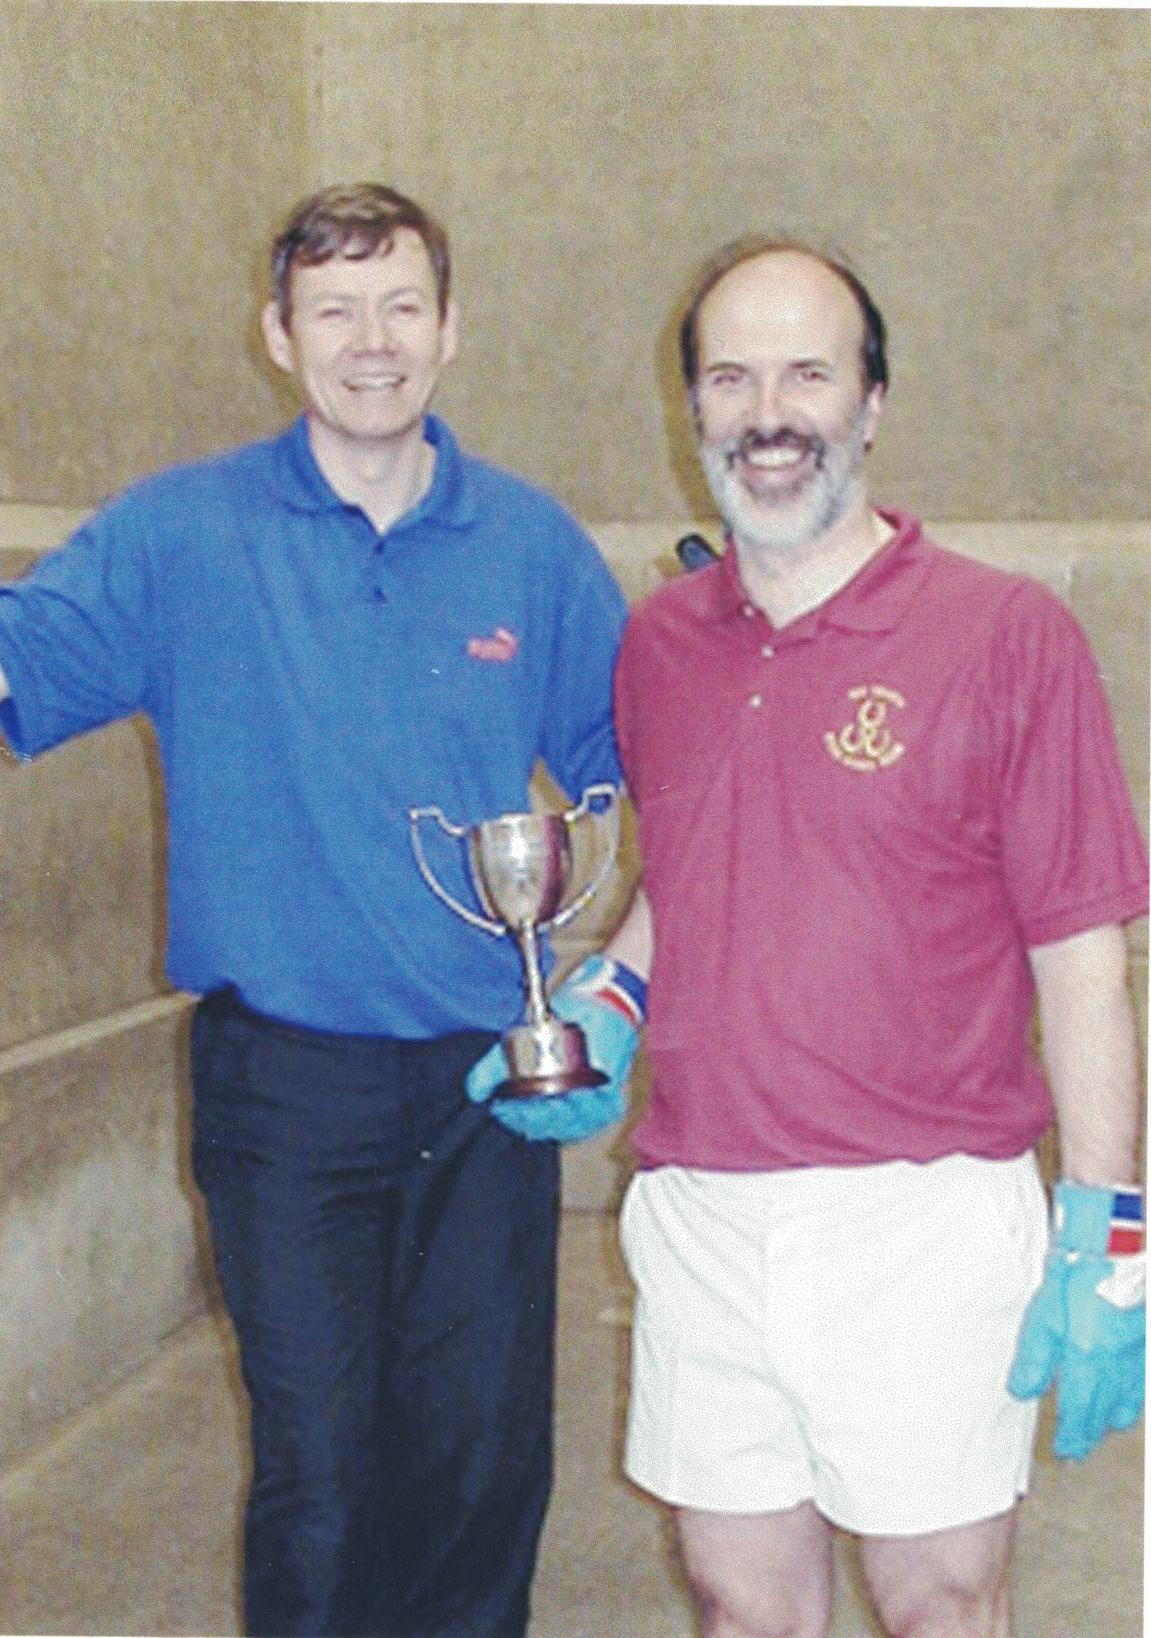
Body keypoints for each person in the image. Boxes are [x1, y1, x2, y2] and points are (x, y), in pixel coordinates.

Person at [0, 183, 631, 1638]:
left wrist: (610, 996)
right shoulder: (178, 536)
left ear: (450, 328)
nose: (372, 340)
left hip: (486, 1092)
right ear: (277, 335)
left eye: (401, 305)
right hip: (281, 1093)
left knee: (480, 1474)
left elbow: (641, 771)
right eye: (334, 309)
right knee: (325, 1482)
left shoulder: (529, 549)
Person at [500, 237, 1147, 1638]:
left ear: (871, 404)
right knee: (738, 1601)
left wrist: (1113, 1225)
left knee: (941, 1603)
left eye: (807, 372)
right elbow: (697, 871)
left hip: (926, 1215)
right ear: (694, 412)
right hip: (706, 1211)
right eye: (730, 377)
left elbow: (1081, 957)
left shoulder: (1006, 636)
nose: (767, 412)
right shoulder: (661, 645)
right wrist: (610, 1002)